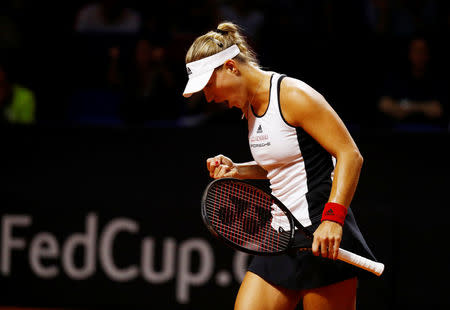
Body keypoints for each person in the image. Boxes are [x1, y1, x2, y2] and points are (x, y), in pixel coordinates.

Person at [182, 22, 377, 310]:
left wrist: (333, 220)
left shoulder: (293, 95)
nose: (209, 97)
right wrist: (239, 169)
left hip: (321, 233)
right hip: (280, 236)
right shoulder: (249, 108)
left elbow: (349, 155)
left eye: (209, 85)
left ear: (230, 67)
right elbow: (286, 162)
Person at [377, 36, 447, 129]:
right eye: (416, 51)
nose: (419, 55)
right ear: (409, 53)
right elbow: (384, 104)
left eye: (422, 51)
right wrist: (424, 108)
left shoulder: (438, 78)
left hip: (431, 132)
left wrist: (405, 106)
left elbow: (438, 110)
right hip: (399, 131)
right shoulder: (397, 76)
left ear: (428, 54)